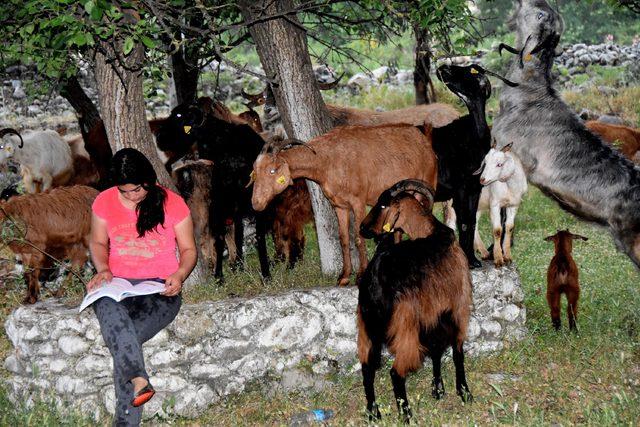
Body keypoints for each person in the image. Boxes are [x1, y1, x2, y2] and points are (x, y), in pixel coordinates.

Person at [87, 148, 197, 426]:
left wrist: (180, 275)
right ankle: (138, 379)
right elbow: (98, 243)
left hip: (159, 290)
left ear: (148, 179)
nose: (133, 195)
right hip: (117, 285)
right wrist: (103, 270)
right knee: (107, 307)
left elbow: (188, 249)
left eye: (138, 189)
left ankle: (126, 419)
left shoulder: (172, 203)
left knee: (124, 340)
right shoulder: (103, 202)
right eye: (126, 191)